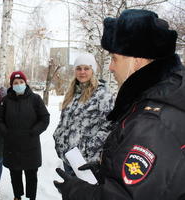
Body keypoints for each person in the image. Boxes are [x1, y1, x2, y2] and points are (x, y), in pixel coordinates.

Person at [53, 9, 185, 200]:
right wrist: (107, 169)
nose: (111, 67)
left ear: (136, 61)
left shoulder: (152, 121)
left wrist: (77, 192)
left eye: (115, 58)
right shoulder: (151, 100)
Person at [53, 54, 114, 175]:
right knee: (69, 193)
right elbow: (63, 122)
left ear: (93, 71)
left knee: (84, 193)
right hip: (68, 158)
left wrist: (86, 149)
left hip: (86, 161)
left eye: (86, 68)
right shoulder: (71, 94)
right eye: (79, 68)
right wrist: (58, 139)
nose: (82, 72)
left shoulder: (102, 95)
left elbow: (109, 127)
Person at [0, 71, 50, 200]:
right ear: (11, 85)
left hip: (30, 145)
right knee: (15, 173)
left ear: (26, 83)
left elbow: (44, 118)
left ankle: (32, 197)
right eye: (15, 83)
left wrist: (34, 131)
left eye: (21, 82)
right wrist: (6, 133)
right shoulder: (6, 100)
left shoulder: (35, 99)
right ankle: (17, 196)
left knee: (31, 174)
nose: (19, 84)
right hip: (12, 145)